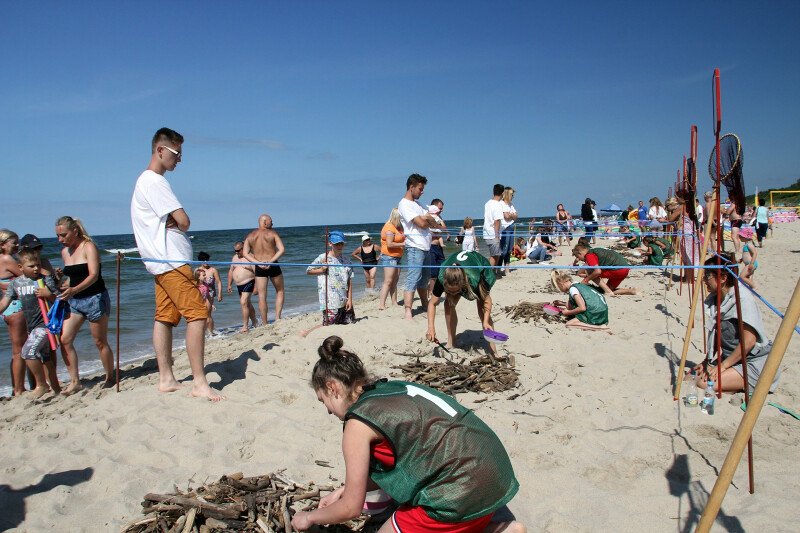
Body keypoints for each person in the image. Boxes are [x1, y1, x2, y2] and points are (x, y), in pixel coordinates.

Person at [290, 336, 523, 533]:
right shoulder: (391, 388)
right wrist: (344, 490)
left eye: (324, 401)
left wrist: (310, 517)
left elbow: (351, 508)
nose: (328, 411)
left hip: (461, 491)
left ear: (333, 387)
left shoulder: (357, 424)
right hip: (495, 474)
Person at [130, 127, 222, 401]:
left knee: (165, 318)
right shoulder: (154, 181)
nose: (179, 159)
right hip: (171, 262)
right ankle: (199, 382)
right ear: (160, 150)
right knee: (198, 316)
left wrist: (175, 221)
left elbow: (176, 221)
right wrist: (179, 220)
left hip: (162, 263)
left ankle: (166, 378)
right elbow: (184, 220)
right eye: (176, 153)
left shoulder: (145, 182)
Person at [692, 255, 778, 394]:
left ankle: (735, 385)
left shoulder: (742, 299)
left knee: (704, 383)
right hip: (731, 357)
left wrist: (722, 366)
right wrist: (707, 361)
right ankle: (731, 383)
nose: (704, 280)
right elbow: (716, 332)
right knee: (691, 375)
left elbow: (749, 342)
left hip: (754, 361)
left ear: (723, 278)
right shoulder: (716, 298)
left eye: (707, 276)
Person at [54, 216, 115, 395]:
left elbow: (93, 275)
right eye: (58, 236)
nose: (60, 239)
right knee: (65, 339)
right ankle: (75, 381)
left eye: (63, 235)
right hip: (75, 301)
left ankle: (110, 376)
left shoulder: (88, 246)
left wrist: (74, 289)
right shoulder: (65, 252)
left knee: (99, 341)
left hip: (95, 299)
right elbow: (71, 279)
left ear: (75, 231)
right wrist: (61, 281)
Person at [0, 249, 62, 399]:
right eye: (31, 266)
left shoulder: (45, 279)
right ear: (20, 267)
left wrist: (49, 295)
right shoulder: (15, 283)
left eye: (38, 265)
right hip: (31, 326)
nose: (36, 268)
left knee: (27, 352)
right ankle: (57, 389)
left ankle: (42, 385)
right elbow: (5, 302)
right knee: (45, 357)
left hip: (45, 324)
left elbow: (60, 300)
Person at [425, 250, 500, 357]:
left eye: (456, 291)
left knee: (482, 311)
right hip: (457, 267)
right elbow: (432, 303)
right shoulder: (443, 277)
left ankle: (493, 350)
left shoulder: (474, 279)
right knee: (448, 304)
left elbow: (487, 301)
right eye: (449, 291)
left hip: (480, 266)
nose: (453, 294)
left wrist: (486, 320)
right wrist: (431, 327)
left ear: (463, 284)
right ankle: (451, 342)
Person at [398, 173, 442, 319]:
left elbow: (435, 221)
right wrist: (427, 219)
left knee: (425, 278)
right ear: (411, 187)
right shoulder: (404, 204)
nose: (422, 192)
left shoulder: (420, 204)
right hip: (414, 246)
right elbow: (422, 223)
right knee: (413, 278)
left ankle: (424, 304)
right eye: (420, 189)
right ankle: (408, 310)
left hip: (426, 246)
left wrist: (428, 218)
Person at [243, 214, 286, 324]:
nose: (272, 223)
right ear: (265, 222)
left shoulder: (251, 235)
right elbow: (281, 250)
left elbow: (245, 253)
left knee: (262, 296)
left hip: (259, 266)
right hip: (273, 264)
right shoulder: (272, 233)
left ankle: (265, 322)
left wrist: (258, 263)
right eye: (271, 221)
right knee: (280, 291)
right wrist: (271, 261)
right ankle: (277, 318)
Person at [306, 230, 354, 326]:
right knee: (330, 326)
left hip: (344, 299)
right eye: (337, 244)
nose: (340, 246)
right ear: (330, 244)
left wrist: (350, 299)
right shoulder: (323, 258)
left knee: (349, 323)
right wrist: (322, 270)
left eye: (341, 243)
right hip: (329, 301)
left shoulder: (346, 260)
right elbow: (308, 271)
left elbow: (349, 281)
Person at [1, 229, 28, 396]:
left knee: (17, 350)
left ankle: (17, 387)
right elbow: (27, 276)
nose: (17, 245)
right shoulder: (7, 259)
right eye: (14, 242)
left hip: (7, 308)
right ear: (3, 245)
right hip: (16, 306)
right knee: (20, 351)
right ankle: (19, 389)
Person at [572, 243, 638, 296]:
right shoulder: (596, 250)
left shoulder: (589, 255)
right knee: (605, 290)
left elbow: (597, 271)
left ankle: (608, 292)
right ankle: (631, 291)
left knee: (590, 271)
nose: (579, 259)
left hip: (617, 269)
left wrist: (586, 280)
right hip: (625, 269)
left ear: (579, 253)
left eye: (578, 257)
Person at [665, 197, 700, 282]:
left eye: (667, 206)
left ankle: (689, 278)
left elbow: (670, 219)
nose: (667, 209)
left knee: (687, 255)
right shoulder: (684, 207)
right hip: (687, 232)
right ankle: (687, 276)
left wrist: (663, 219)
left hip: (686, 233)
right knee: (686, 255)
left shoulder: (680, 207)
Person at [227, 241, 258, 333]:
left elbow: (257, 272)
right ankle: (255, 322)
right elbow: (231, 271)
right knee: (247, 303)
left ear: (243, 248)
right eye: (235, 251)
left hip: (249, 282)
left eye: (238, 250)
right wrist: (229, 284)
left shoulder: (250, 257)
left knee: (243, 302)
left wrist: (256, 286)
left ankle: (245, 326)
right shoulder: (234, 258)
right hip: (239, 285)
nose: (236, 252)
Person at [378, 209, 405, 311]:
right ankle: (382, 304)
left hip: (398, 256)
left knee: (395, 280)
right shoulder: (389, 227)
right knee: (388, 281)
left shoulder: (398, 227)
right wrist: (403, 244)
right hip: (389, 256)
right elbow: (389, 244)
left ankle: (394, 302)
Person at [194, 251, 223, 335]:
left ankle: (211, 332)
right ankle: (204, 331)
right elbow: (194, 282)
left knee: (207, 313)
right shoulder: (198, 271)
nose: (206, 262)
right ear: (200, 261)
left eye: (207, 259)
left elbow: (219, 282)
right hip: (200, 293)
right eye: (204, 260)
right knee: (201, 313)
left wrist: (220, 293)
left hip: (210, 293)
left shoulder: (213, 270)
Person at [427, 199, 448, 293]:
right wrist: (438, 228)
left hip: (439, 247)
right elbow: (429, 231)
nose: (441, 210)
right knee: (433, 272)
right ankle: (431, 291)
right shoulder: (428, 217)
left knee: (443, 268)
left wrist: (439, 228)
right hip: (431, 246)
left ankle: (439, 289)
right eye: (440, 208)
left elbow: (444, 228)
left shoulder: (439, 218)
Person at [483, 184, 506, 267]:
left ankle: (492, 273)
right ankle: (489, 274)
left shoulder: (487, 203)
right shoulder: (497, 204)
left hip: (487, 233)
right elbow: (497, 221)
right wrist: (497, 235)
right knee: (495, 256)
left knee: (496, 255)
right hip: (492, 234)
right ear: (503, 193)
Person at [499, 188, 518, 274]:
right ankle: (498, 269)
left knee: (510, 249)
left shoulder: (510, 204)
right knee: (504, 250)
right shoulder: (501, 204)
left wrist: (511, 215)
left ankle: (507, 268)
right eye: (511, 194)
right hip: (505, 228)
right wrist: (511, 215)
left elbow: (516, 216)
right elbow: (506, 217)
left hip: (511, 227)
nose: (513, 196)